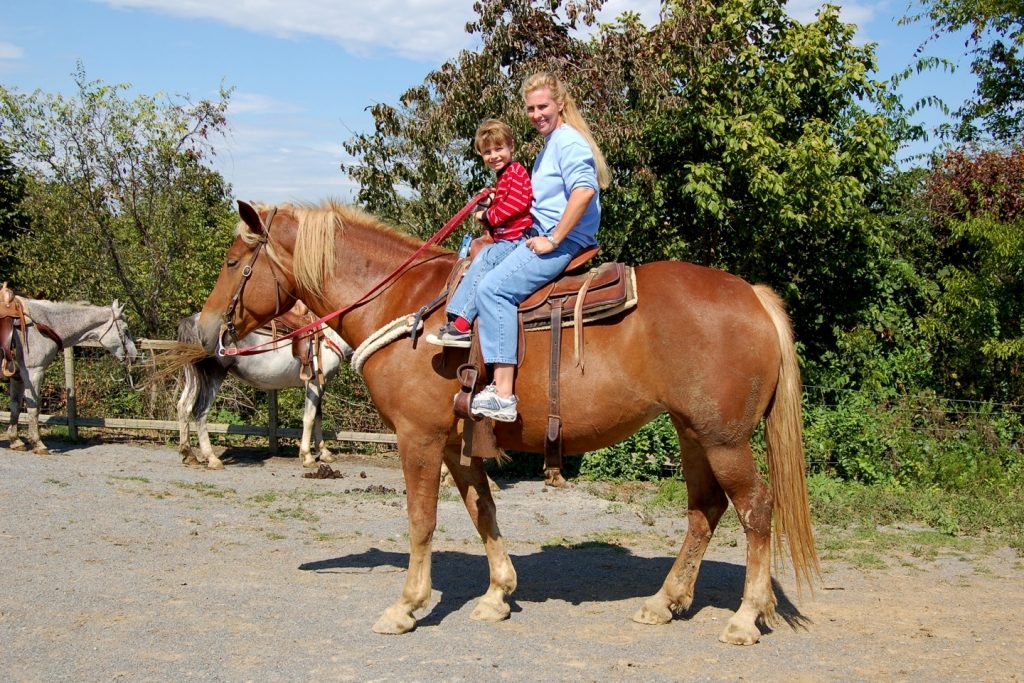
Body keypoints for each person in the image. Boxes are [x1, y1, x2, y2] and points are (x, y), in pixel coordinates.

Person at [468, 72, 611, 422]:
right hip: (540, 231)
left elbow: (584, 191)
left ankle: (502, 394)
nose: (536, 114)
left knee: (492, 291)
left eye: (543, 106)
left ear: (560, 104)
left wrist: (555, 239)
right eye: (531, 108)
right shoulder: (551, 144)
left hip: (562, 240)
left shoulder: (567, 142)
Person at [427, 119, 534, 348]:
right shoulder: (504, 176)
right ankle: (456, 315)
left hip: (515, 240)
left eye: (499, 149)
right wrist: (492, 196)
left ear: (511, 146)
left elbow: (516, 205)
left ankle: (462, 324)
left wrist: (486, 215)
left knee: (484, 262)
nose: (494, 156)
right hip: (506, 238)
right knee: (479, 259)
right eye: (487, 152)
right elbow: (505, 199)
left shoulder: (516, 171)